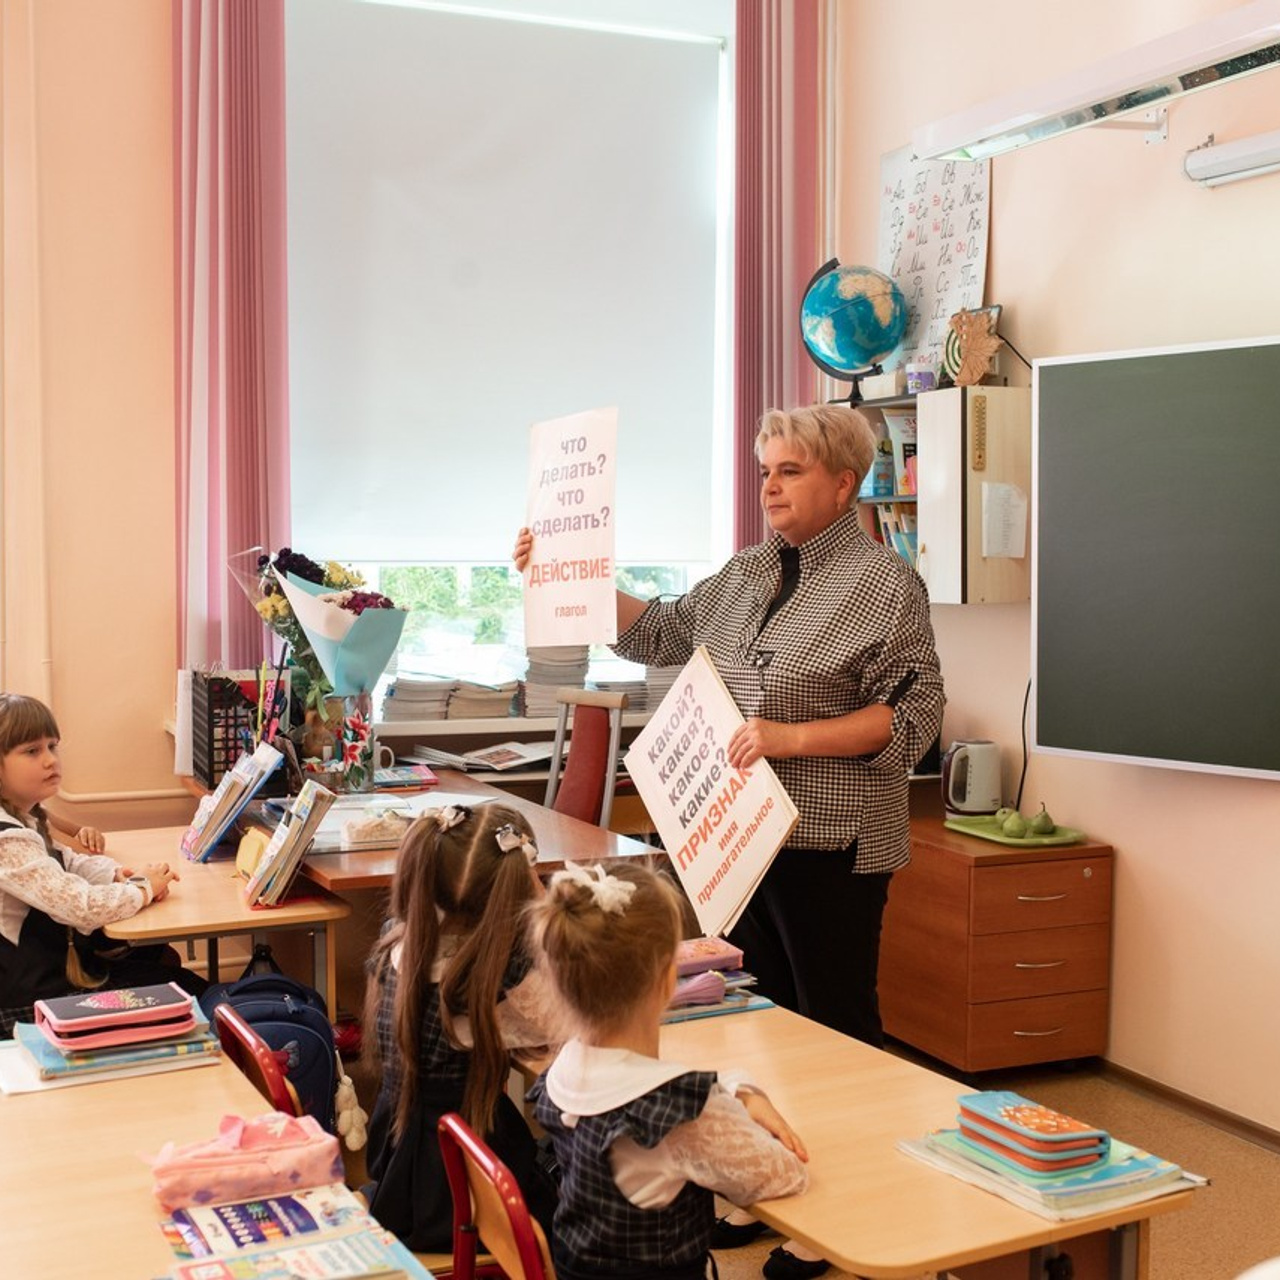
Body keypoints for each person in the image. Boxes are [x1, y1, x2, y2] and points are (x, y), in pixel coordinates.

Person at [514, 402, 945, 1278]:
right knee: (761, 1026)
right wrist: (570, 573)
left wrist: (791, 737)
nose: (769, 487)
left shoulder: (884, 584)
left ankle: (851, 1217)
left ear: (842, 481)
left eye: (788, 471)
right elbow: (662, 632)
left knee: (837, 1029)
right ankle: (762, 1186)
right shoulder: (748, 572)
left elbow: (912, 716)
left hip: (832, 841)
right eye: (762, 471)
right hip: (739, 841)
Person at [526, 860, 810, 1280]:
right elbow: (785, 1176)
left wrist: (727, 1089)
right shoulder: (679, 1110)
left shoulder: (563, 1068)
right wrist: (745, 1092)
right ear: (667, 982)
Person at [361, 802, 561, 1253]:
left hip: (397, 1164)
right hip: (463, 1190)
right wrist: (543, 908)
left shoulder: (398, 940)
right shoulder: (488, 980)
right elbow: (568, 1021)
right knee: (562, 1211)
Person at [0, 692, 203, 1038]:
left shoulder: (26, 816)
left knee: (179, 980)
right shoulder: (7, 841)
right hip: (34, 1008)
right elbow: (81, 907)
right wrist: (141, 889)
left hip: (55, 984)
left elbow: (68, 862)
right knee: (191, 994)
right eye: (32, 751)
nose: (50, 760)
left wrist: (116, 874)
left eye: (53, 746)